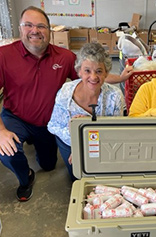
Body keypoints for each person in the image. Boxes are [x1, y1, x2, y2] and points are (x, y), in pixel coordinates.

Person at [0, 6, 132, 202]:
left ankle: (38, 145)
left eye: (41, 26)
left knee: (48, 165)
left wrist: (119, 78)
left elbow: (92, 73)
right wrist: (1, 130)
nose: (35, 30)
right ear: (20, 28)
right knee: (7, 150)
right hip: (16, 117)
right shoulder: (3, 55)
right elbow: (89, 73)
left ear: (49, 31)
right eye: (28, 25)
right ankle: (25, 178)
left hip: (45, 124)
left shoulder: (65, 57)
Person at [47, 42, 125, 181]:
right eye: (87, 71)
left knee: (103, 177)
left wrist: (86, 144)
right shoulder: (66, 92)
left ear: (106, 72)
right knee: (79, 178)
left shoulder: (115, 96)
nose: (93, 77)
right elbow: (53, 126)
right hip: (70, 143)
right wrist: (77, 144)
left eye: (99, 71)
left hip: (102, 144)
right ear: (79, 71)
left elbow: (115, 132)